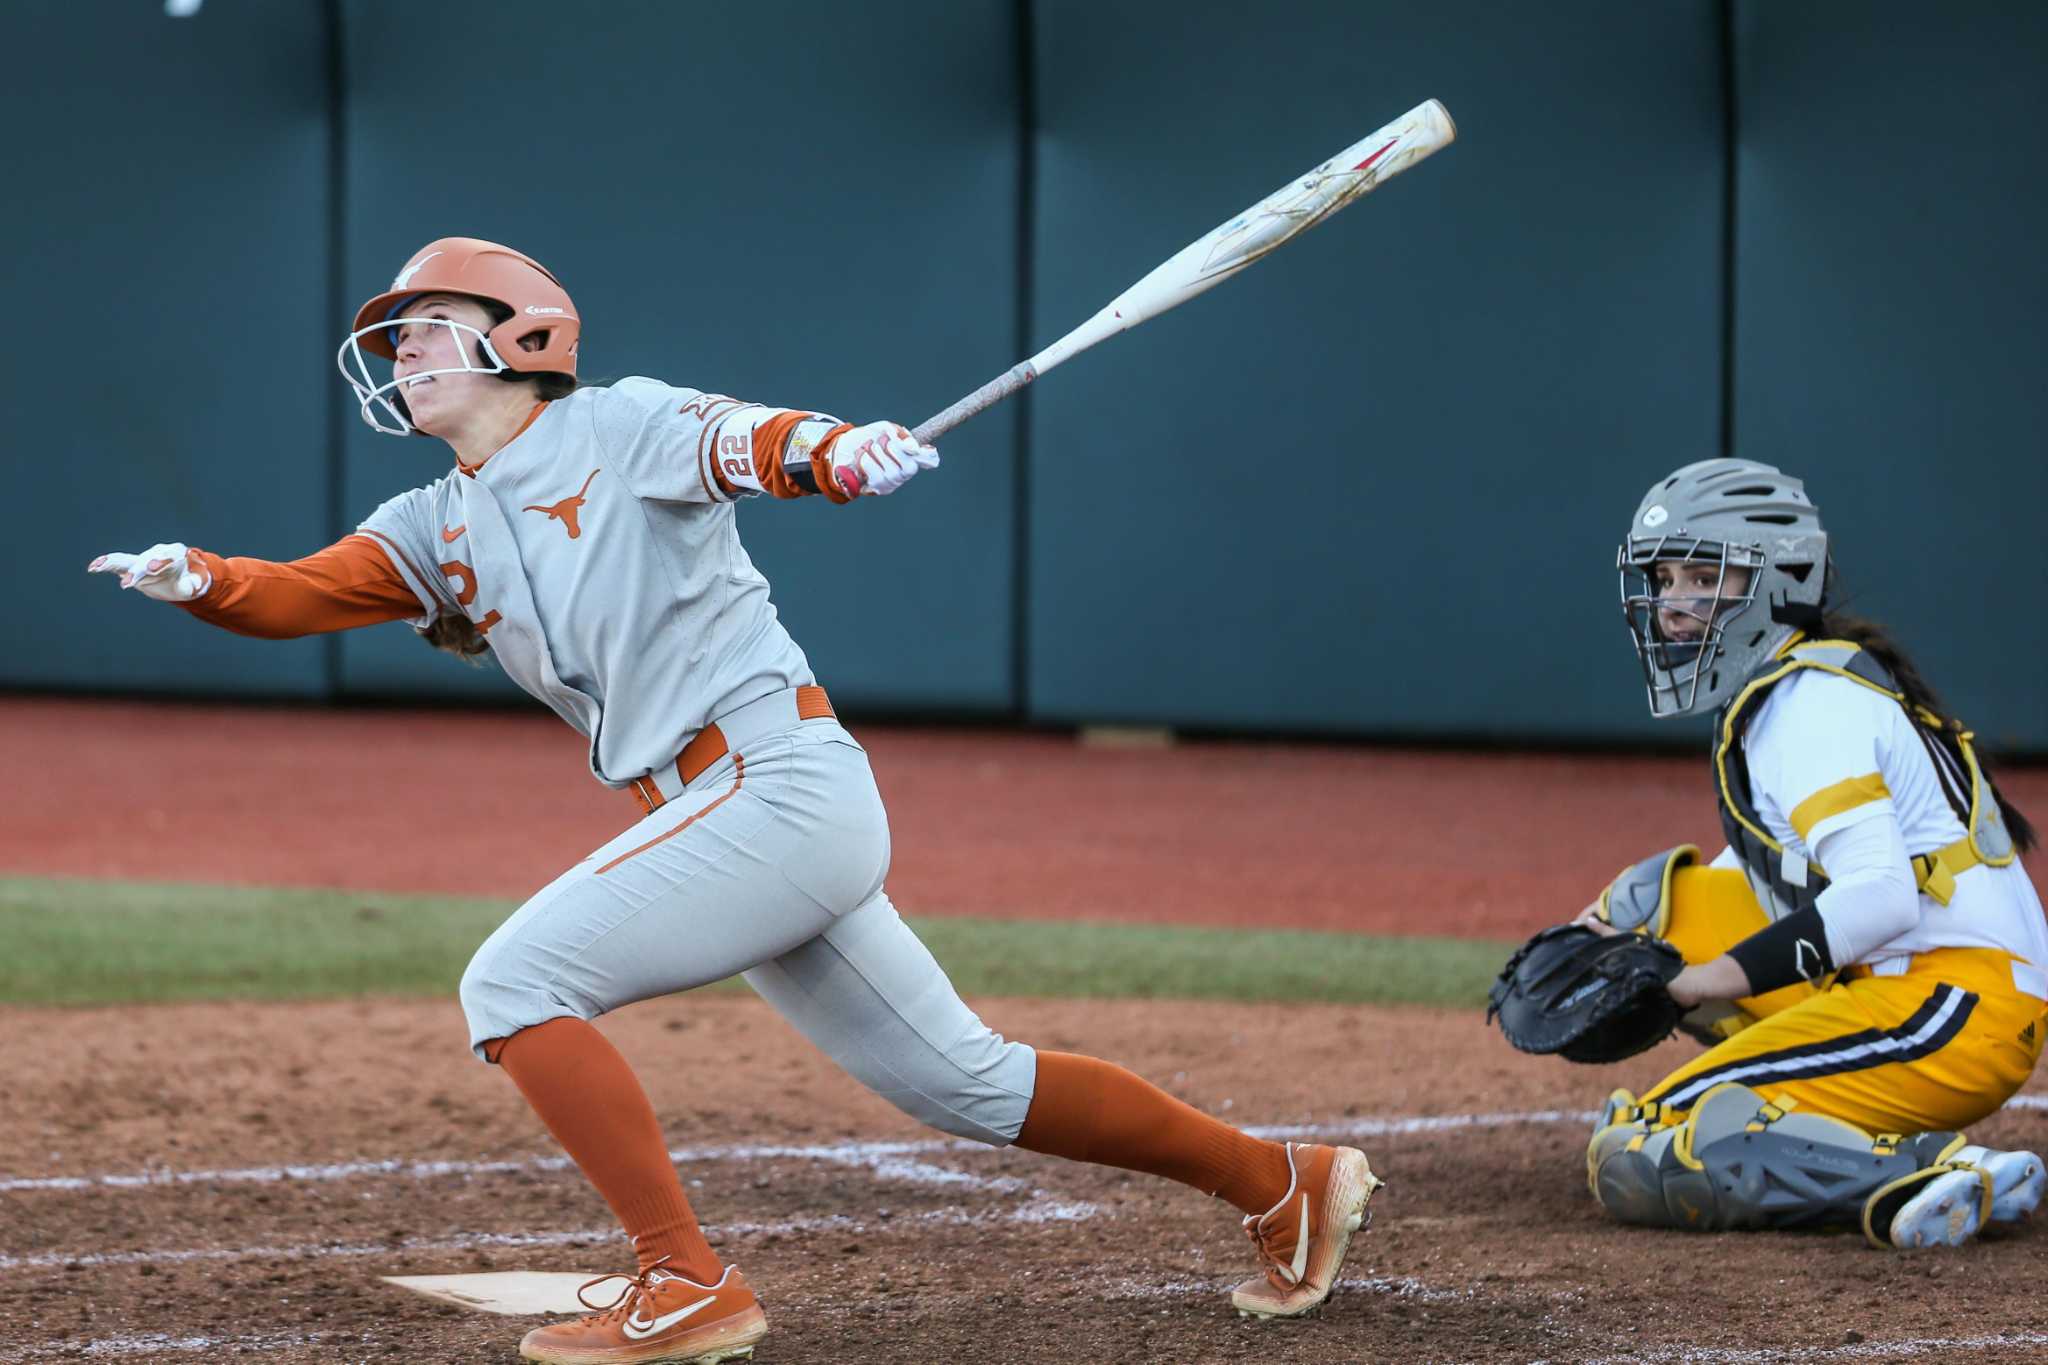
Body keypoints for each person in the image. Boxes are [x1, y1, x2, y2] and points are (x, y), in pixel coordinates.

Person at [87, 237, 1380, 1364]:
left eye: (422, 327)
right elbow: (301, 593)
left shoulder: (623, 420)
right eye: (393, 336)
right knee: (968, 1085)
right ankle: (1284, 1183)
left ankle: (684, 1278)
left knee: (515, 985)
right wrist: (194, 575)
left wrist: (837, 452)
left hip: (774, 781)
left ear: (521, 339)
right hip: (726, 814)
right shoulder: (439, 519)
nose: (399, 352)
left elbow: (752, 441)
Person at [1571, 457, 2046, 1249]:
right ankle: (1855, 1134)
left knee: (1648, 1153)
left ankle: (1925, 1173)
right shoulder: (1800, 687)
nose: (1673, 605)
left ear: (1778, 579)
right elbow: (1769, 882)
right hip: (1919, 983)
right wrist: (1597, 942)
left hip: (1952, 1007)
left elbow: (1881, 897)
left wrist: (1699, 983)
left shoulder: (1810, 705)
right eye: (1666, 579)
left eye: (1702, 576)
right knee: (1649, 907)